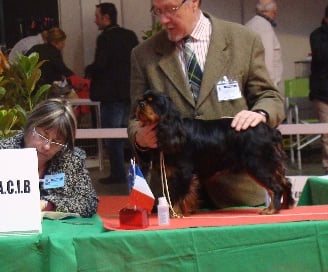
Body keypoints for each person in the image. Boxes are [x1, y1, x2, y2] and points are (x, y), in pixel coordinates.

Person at [128, 0, 285, 209]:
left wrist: (261, 113)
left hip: (237, 196)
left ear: (193, 2)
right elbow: (133, 119)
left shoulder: (244, 40)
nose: (163, 19)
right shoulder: (143, 54)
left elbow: (269, 95)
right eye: (158, 11)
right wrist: (140, 138)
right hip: (174, 197)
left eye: (171, 9)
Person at [0, 98, 99, 223]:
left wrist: (48, 204)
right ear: (29, 126)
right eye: (43, 135)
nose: (46, 146)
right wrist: (7, 211)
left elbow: (88, 201)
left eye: (57, 142)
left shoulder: (70, 158)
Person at [85, 2, 139, 184]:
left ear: (106, 17)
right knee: (131, 135)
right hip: (129, 92)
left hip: (111, 95)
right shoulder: (130, 35)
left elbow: (101, 64)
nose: (95, 20)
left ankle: (117, 174)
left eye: (97, 16)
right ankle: (138, 171)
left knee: (112, 137)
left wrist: (88, 70)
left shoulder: (105, 38)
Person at [245, 0, 283, 93]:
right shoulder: (264, 27)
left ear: (256, 10)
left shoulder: (249, 24)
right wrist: (271, 87)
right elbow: (267, 58)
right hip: (265, 86)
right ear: (274, 11)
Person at [309, 6, 328, 173]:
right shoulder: (317, 36)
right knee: (327, 134)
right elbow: (321, 56)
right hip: (323, 92)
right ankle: (327, 167)